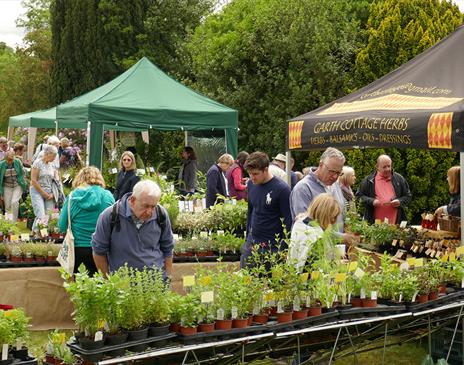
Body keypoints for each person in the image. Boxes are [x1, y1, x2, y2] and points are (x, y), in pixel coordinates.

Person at [92, 180, 175, 276]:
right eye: (145, 206)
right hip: (122, 285)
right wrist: (107, 281)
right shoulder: (111, 215)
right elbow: (98, 251)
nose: (149, 212)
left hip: (155, 284)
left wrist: (168, 277)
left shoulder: (161, 214)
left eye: (153, 206)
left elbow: (168, 247)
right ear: (132, 200)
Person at [240, 152, 292, 268]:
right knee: (246, 282)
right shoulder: (251, 185)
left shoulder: (282, 190)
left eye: (255, 174)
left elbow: (288, 222)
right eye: (249, 174)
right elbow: (251, 212)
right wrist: (247, 239)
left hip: (271, 249)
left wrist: (283, 250)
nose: (252, 177)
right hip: (251, 246)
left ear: (266, 169)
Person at [58, 167, 115, 275]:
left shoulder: (72, 198)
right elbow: (115, 223)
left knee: (80, 287)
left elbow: (61, 226)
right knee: (102, 286)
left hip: (78, 249)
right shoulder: (108, 197)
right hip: (102, 249)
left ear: (79, 179)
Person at [288, 193, 341, 271]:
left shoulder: (299, 222)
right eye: (333, 217)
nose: (334, 221)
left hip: (293, 273)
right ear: (324, 214)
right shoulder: (317, 236)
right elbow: (317, 268)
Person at [356, 154, 411, 224]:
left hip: (395, 222)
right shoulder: (368, 180)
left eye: (389, 166)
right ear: (377, 167)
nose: (387, 169)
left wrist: (399, 201)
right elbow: (359, 196)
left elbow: (408, 196)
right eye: (384, 167)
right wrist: (372, 201)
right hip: (373, 224)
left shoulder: (399, 179)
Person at [30, 145, 60, 233]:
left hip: (50, 192)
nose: (55, 158)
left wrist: (53, 193)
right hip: (37, 191)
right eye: (54, 156)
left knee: (48, 215)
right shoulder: (37, 163)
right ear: (48, 154)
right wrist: (44, 194)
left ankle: (37, 233)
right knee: (40, 214)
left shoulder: (52, 165)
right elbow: (33, 181)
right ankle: (39, 234)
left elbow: (56, 180)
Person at [0, 151, 28, 222]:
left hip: (17, 185)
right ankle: (8, 222)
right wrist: (1, 193)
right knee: (7, 205)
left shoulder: (17, 162)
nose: (10, 162)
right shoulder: (1, 165)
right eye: (8, 160)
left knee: (14, 202)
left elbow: (23, 173)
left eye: (11, 160)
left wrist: (23, 181)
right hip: (6, 186)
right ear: (5, 159)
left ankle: (14, 221)